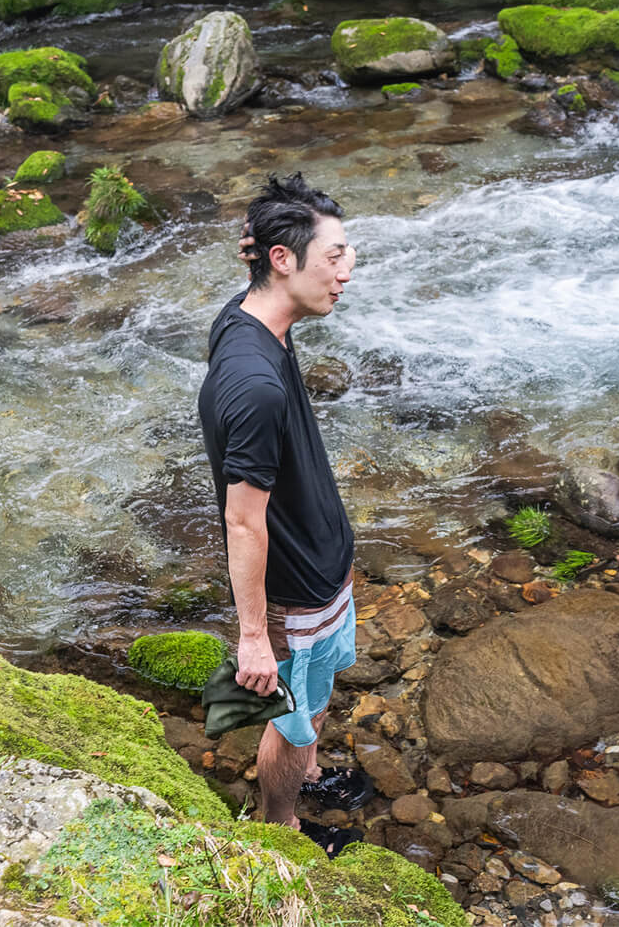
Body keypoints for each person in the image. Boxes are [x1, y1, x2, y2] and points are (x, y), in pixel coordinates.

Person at [199, 172, 371, 855]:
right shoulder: (253, 384)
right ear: (281, 260)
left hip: (321, 566)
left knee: (315, 706)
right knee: (294, 720)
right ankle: (281, 826)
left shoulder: (248, 316)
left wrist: (267, 233)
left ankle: (309, 776)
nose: (346, 271)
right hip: (295, 594)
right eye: (334, 256)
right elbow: (243, 522)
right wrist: (253, 637)